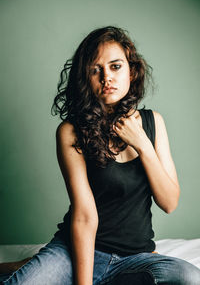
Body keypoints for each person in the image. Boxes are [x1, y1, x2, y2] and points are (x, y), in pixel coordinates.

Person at [1, 26, 200, 285]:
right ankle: (36, 264)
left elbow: (169, 202)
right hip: (75, 252)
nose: (107, 77)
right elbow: (84, 216)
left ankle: (34, 264)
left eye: (115, 66)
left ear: (131, 70)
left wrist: (142, 144)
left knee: (190, 277)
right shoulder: (71, 131)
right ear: (86, 79)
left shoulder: (154, 123)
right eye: (96, 70)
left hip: (134, 258)